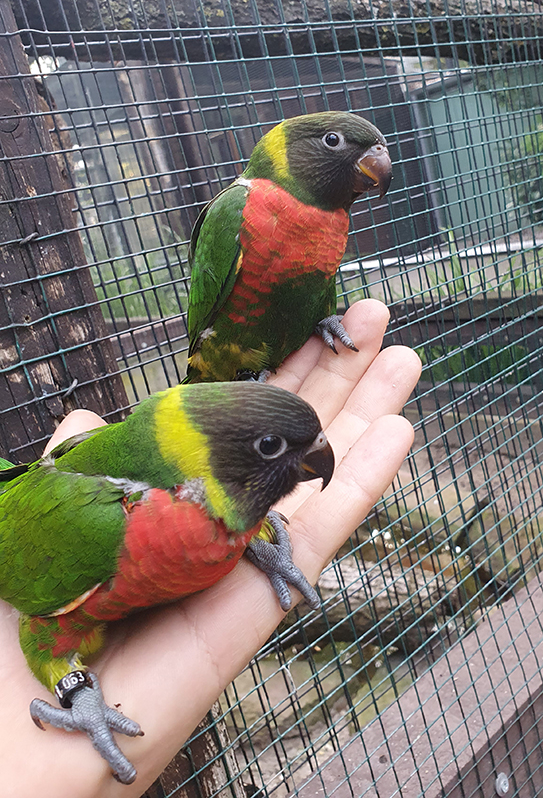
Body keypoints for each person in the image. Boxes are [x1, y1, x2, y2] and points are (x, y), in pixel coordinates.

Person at [0, 300, 421, 796]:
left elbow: (222, 508)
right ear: (202, 471)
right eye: (269, 448)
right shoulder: (104, 527)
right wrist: (75, 698)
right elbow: (43, 631)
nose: (318, 455)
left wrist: (256, 540)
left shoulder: (223, 505)